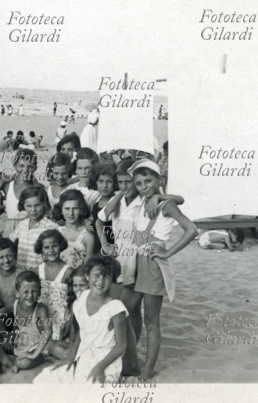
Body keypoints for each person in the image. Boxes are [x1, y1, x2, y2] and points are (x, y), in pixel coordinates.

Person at [127, 159, 198, 381]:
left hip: (152, 263)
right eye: (139, 183)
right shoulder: (142, 201)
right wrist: (155, 195)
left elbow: (191, 229)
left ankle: (148, 368)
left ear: (159, 180)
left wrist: (167, 253)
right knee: (130, 310)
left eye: (148, 181)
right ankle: (132, 360)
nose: (144, 186)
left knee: (151, 318)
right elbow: (179, 197)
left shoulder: (164, 205)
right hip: (135, 261)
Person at [41, 257, 128, 384]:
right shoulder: (83, 296)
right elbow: (81, 332)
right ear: (88, 276)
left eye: (107, 277)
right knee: (51, 378)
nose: (100, 281)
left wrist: (100, 367)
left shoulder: (115, 308)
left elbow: (121, 346)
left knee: (91, 389)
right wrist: (70, 358)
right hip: (84, 353)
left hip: (105, 359)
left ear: (113, 281)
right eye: (96, 275)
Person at [0, 271, 52, 372]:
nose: (30, 295)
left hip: (35, 348)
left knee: (21, 363)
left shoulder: (40, 309)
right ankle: (9, 364)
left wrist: (34, 354)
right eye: (26, 292)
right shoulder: (15, 305)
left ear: (39, 292)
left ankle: (41, 358)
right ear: (17, 293)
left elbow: (48, 331)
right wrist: (6, 337)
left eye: (34, 291)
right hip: (19, 344)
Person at [9, 185, 58, 272]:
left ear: (44, 204)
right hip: (22, 271)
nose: (33, 210)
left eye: (37, 205)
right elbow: (10, 243)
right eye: (29, 206)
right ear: (23, 205)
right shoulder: (22, 225)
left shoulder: (52, 227)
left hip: (42, 273)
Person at [36, 229, 74, 342]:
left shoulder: (68, 271)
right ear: (41, 249)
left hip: (61, 319)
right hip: (42, 318)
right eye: (46, 247)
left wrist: (70, 322)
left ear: (61, 246)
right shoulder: (37, 271)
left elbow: (73, 299)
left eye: (55, 246)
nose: (51, 250)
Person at [0, 149, 41, 237]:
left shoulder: (37, 188)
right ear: (14, 166)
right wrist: (12, 176)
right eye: (21, 166)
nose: (25, 170)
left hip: (29, 228)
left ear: (35, 168)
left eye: (30, 166)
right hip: (10, 227)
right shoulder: (8, 186)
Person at [53, 190, 95, 269]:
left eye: (75, 208)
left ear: (81, 210)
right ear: (61, 210)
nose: (71, 213)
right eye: (67, 209)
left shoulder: (87, 235)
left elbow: (88, 264)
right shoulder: (57, 232)